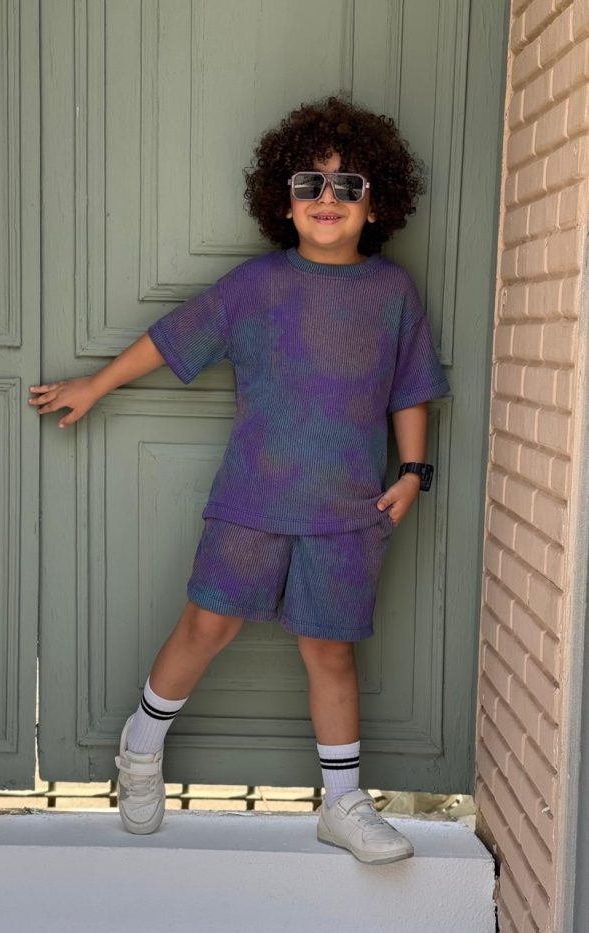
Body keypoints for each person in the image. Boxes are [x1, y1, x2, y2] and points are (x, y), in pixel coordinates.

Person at [28, 94, 450, 866]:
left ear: (376, 202)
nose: (327, 198)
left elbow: (410, 387)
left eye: (347, 184)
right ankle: (141, 747)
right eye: (310, 183)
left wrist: (415, 471)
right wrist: (96, 383)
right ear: (283, 202)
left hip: (348, 510)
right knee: (206, 626)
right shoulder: (255, 285)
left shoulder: (393, 294)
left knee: (331, 651)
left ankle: (342, 802)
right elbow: (174, 337)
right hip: (253, 501)